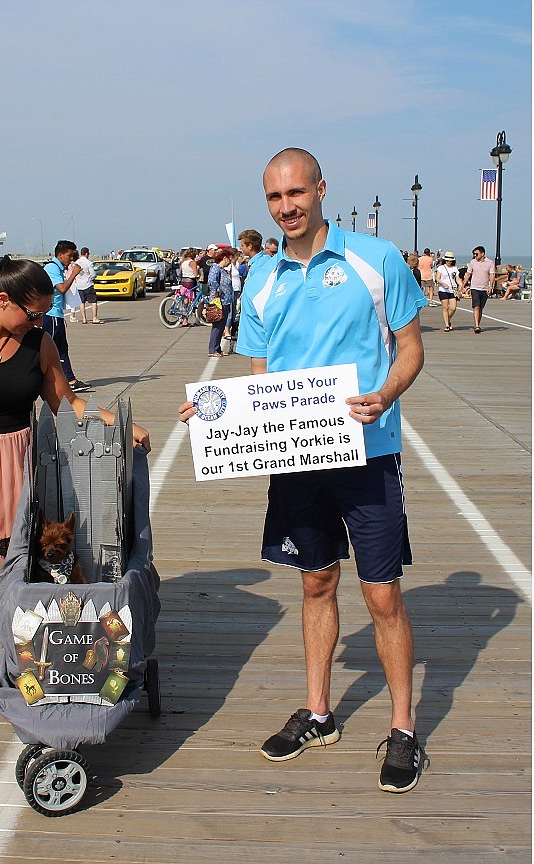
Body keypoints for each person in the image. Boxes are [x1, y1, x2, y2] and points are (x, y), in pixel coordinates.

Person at [180, 147, 426, 793]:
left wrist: (387, 394)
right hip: (297, 457)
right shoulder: (259, 279)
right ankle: (318, 713)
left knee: (382, 594)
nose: (286, 206)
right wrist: (215, 412)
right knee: (315, 585)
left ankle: (402, 728)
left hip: (368, 451)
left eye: (296, 192)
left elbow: (409, 347)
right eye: (273, 197)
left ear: (320, 188)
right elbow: (259, 381)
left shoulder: (375, 259)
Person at [0, 255, 151, 704]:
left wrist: (116, 424)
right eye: (33, 312)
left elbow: (66, 403)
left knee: (25, 572)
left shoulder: (38, 344)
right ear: (3, 300)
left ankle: (23, 658)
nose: (38, 321)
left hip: (21, 464)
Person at [43, 241, 89, 391]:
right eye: (69, 256)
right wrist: (74, 273)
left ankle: (70, 380)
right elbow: (61, 288)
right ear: (60, 254)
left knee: (62, 348)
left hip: (57, 315)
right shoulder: (51, 268)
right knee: (50, 348)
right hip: (51, 316)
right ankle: (45, 380)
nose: (71, 259)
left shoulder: (59, 268)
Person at [206, 247, 234, 357]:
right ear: (225, 258)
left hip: (226, 301)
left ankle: (217, 348)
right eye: (230, 259)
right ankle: (213, 349)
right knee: (217, 326)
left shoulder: (223, 270)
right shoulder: (215, 268)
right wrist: (217, 291)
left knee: (221, 326)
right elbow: (212, 281)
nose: (231, 262)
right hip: (219, 301)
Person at [461, 246, 495, 334]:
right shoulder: (473, 262)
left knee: (480, 307)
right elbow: (468, 274)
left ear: (482, 254)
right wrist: (463, 285)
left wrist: (491, 286)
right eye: (474, 254)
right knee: (476, 306)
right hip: (474, 287)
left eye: (476, 254)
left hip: (484, 288)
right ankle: (476, 325)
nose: (475, 255)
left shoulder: (490, 262)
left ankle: (478, 323)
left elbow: (492, 275)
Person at [434, 252, 462, 331]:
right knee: (445, 307)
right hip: (443, 290)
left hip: (453, 290)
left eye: (450, 261)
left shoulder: (455, 268)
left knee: (453, 308)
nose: (449, 262)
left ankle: (448, 319)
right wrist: (443, 283)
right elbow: (437, 278)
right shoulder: (441, 268)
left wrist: (461, 285)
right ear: (445, 260)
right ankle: (447, 325)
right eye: (447, 261)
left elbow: (457, 278)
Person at [73, 247, 101, 324]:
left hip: (79, 285)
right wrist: (91, 278)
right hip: (88, 284)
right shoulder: (88, 263)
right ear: (86, 253)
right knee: (93, 301)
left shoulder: (76, 263)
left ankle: (84, 318)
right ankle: (94, 318)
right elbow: (93, 274)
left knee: (82, 302)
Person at [178, 247, 199, 327]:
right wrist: (199, 276)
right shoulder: (192, 262)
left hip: (184, 281)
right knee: (190, 301)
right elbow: (195, 274)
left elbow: (180, 272)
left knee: (185, 300)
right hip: (190, 282)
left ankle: (184, 320)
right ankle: (186, 320)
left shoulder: (184, 262)